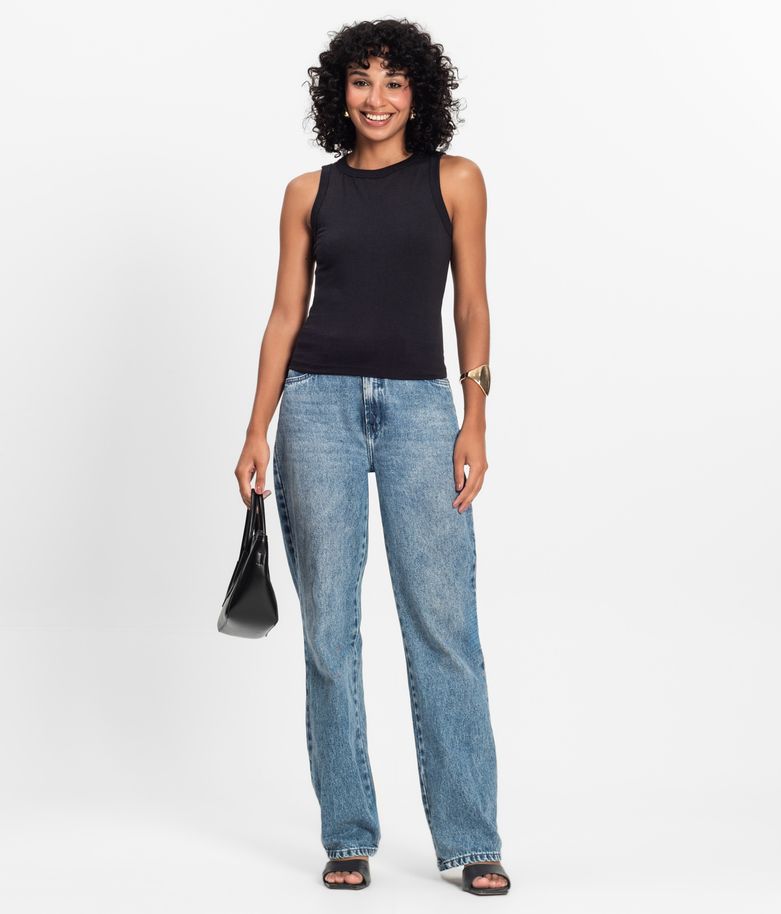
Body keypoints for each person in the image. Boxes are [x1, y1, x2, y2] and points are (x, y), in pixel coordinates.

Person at [235, 19, 511, 896]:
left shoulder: (455, 180)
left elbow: (472, 304)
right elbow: (286, 315)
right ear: (339, 93)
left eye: (394, 81)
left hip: (423, 410)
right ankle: (347, 832)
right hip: (315, 406)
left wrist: (475, 417)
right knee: (329, 630)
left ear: (419, 93)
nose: (378, 98)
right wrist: (256, 428)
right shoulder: (307, 192)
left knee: (444, 626)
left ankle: (471, 840)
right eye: (362, 81)